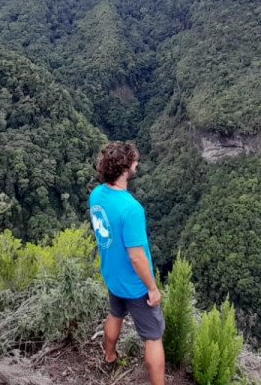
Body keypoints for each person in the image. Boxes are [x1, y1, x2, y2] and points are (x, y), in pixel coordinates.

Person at [89, 141, 164, 385]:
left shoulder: (97, 195)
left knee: (115, 313)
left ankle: (109, 357)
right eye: (134, 161)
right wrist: (152, 288)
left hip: (112, 274)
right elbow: (137, 256)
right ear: (125, 169)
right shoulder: (131, 208)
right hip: (135, 284)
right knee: (153, 336)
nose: (137, 164)